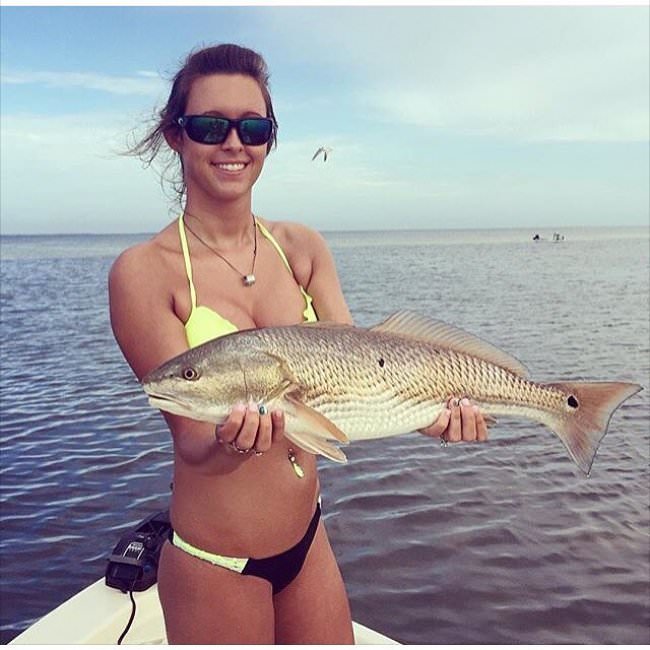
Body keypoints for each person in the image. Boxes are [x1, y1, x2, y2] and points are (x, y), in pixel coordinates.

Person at [108, 43, 488, 644]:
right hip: (217, 563)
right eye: (209, 126)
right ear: (176, 136)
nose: (233, 143)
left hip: (309, 541)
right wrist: (237, 442)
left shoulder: (302, 246)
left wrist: (429, 412)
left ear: (269, 140)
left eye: (253, 127)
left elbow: (364, 380)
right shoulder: (143, 273)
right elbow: (194, 442)